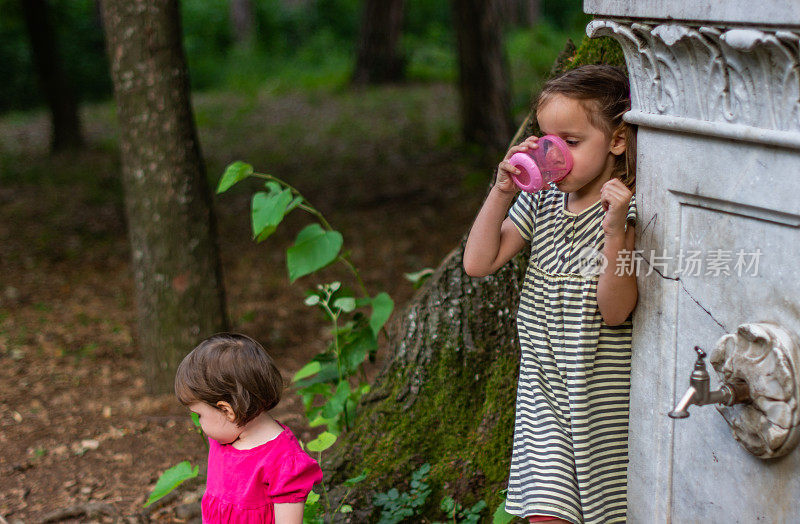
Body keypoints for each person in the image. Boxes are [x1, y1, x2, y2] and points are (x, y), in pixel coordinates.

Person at [463, 65, 638, 524]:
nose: (553, 155)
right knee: (545, 514)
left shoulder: (627, 212)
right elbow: (478, 262)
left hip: (600, 398)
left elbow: (616, 311)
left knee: (609, 512)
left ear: (617, 140)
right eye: (546, 141)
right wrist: (503, 191)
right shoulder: (541, 200)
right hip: (543, 389)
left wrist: (615, 231)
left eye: (571, 142)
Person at [175, 332, 322, 524]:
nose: (197, 421)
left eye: (199, 415)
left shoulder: (283, 461)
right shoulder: (225, 437)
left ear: (227, 410)